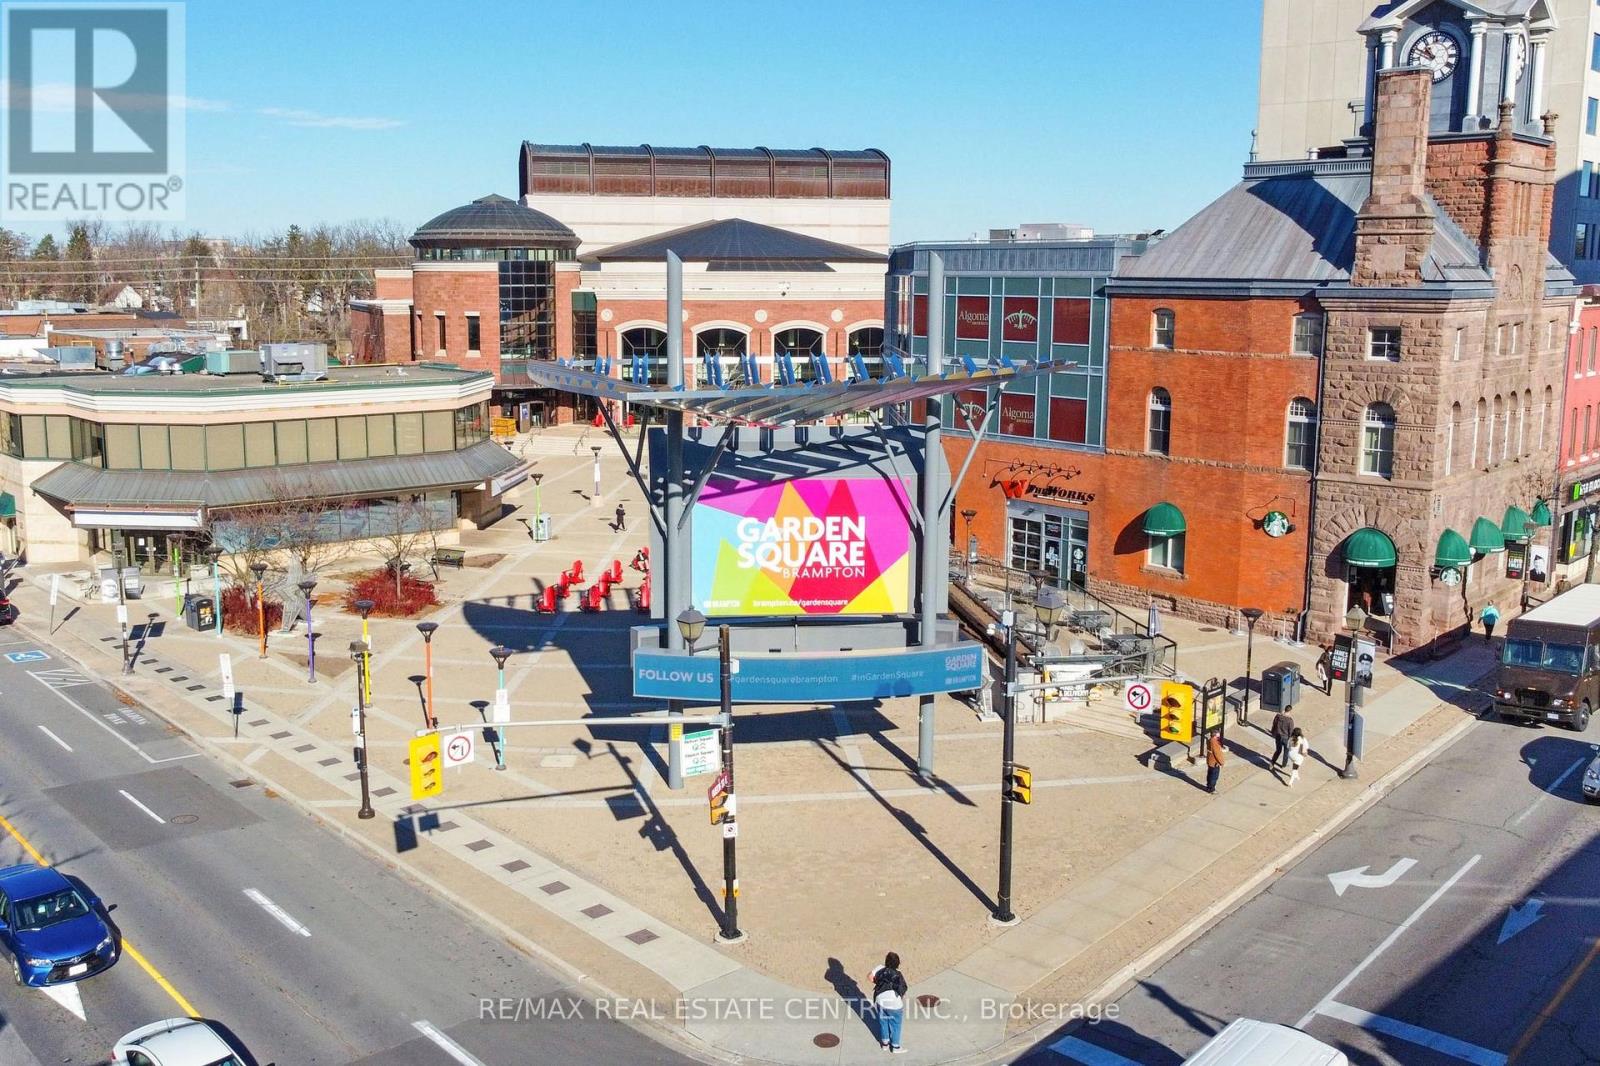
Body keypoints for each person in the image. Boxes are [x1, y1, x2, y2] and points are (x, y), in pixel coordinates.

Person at [869, 951, 908, 1053]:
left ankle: (885, 1044)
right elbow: (903, 989)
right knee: (896, 1024)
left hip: (880, 1001)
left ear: (886, 961)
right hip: (895, 1004)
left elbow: (870, 977)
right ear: (897, 963)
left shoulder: (880, 968)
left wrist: (877, 982)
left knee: (883, 1022)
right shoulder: (898, 974)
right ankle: (895, 1047)